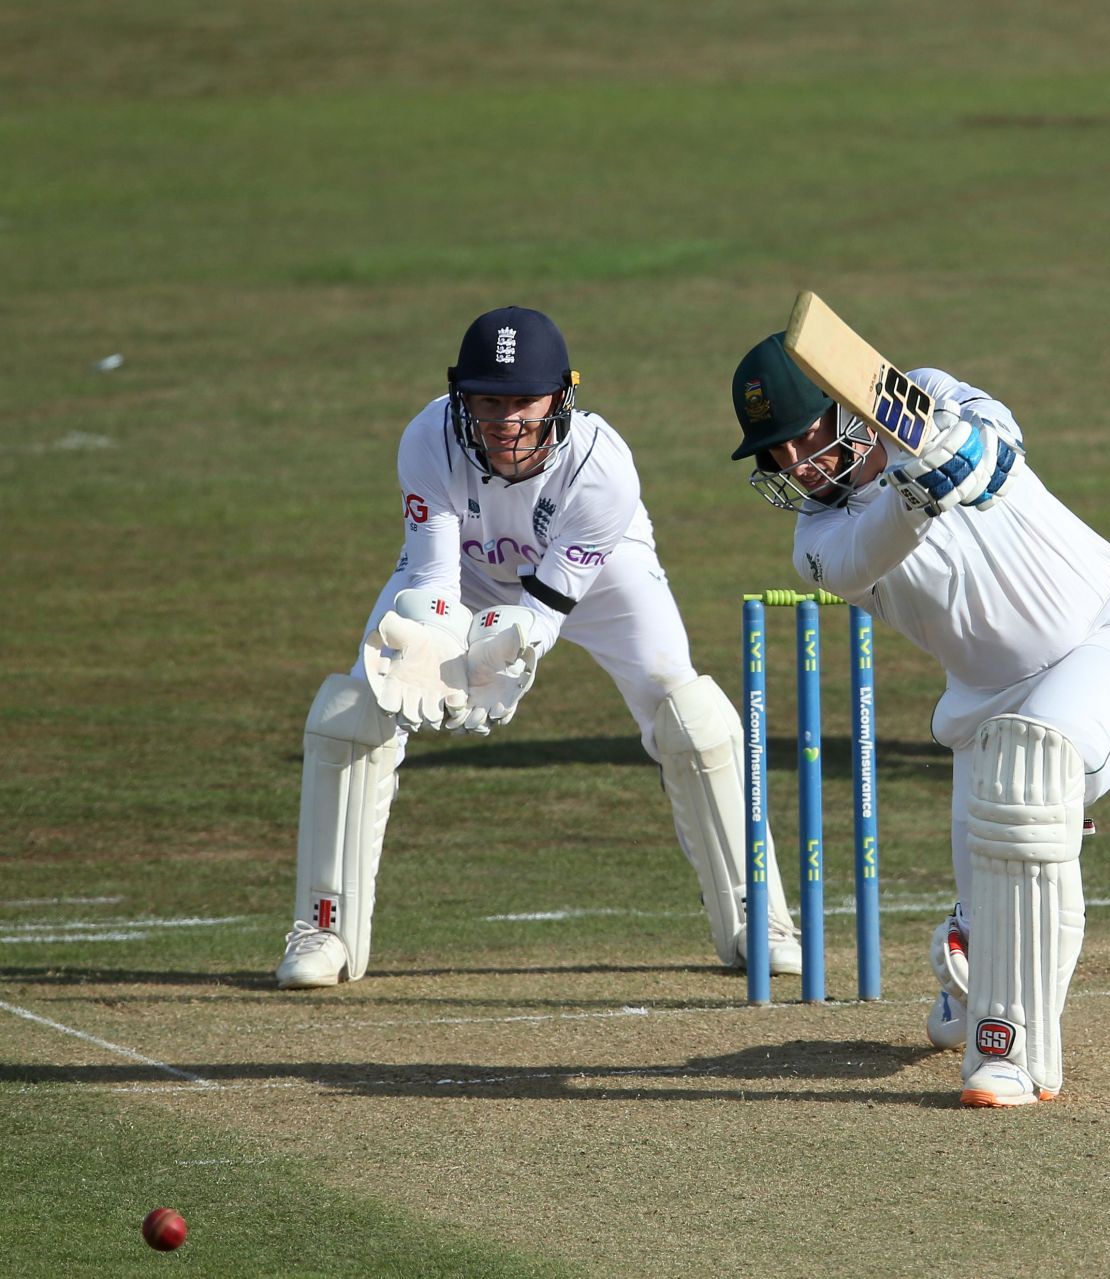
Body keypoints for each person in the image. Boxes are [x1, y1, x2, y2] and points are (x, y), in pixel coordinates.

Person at [275, 306, 803, 989]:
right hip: (463, 569)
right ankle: (325, 925)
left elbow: (543, 613)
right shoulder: (425, 439)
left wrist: (505, 655)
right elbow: (433, 578)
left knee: (688, 714)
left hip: (600, 573)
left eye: (523, 401)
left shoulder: (603, 471)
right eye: (487, 400)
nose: (504, 420)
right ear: (460, 394)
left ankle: (757, 919)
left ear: (562, 395)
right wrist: (438, 650)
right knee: (354, 710)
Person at [728, 333, 1110, 1107]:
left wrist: (958, 446)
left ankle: (1010, 1055)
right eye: (774, 456)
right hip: (984, 710)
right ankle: (972, 957)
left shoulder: (926, 392)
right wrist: (915, 487)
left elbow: (996, 445)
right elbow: (869, 550)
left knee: (1033, 781)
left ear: (844, 406)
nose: (795, 467)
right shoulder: (816, 542)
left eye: (802, 439)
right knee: (1011, 836)